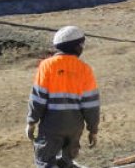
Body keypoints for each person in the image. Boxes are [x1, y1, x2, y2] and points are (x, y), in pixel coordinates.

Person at [26, 25, 100, 168]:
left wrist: (31, 121)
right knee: (67, 162)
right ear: (77, 47)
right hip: (75, 126)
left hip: (51, 125)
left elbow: (38, 97)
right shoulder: (85, 69)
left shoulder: (47, 65)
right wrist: (93, 129)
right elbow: (91, 104)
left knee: (45, 161)